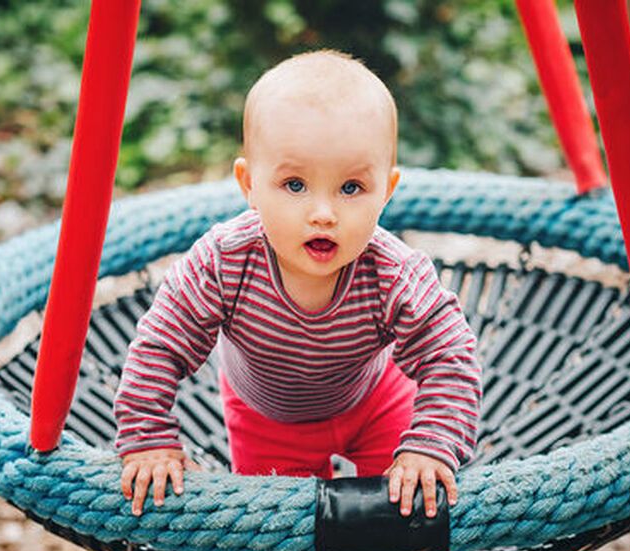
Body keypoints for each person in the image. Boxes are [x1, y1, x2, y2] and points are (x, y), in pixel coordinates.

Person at [114, 49, 482, 521]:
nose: (323, 212)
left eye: (351, 188)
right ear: (249, 184)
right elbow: (160, 345)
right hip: (267, 420)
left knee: (408, 516)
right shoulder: (224, 262)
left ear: (386, 191)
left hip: (375, 401)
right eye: (294, 185)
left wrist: (431, 445)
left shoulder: (394, 273)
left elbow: (450, 355)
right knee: (285, 538)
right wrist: (149, 438)